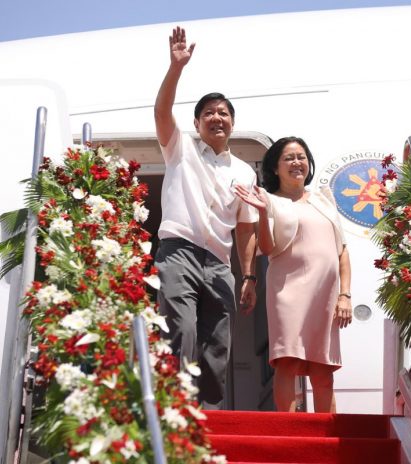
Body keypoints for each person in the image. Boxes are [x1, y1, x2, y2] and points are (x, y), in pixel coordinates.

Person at [153, 26, 258, 409]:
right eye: (209, 113)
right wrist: (176, 67)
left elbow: (246, 228)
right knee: (182, 330)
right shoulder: (180, 148)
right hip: (178, 252)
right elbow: (162, 111)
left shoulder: (245, 171)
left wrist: (248, 275)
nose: (218, 118)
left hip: (219, 263)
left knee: (218, 341)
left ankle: (210, 416)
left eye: (224, 113)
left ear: (232, 123)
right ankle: (175, 410)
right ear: (197, 124)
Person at [234, 136, 352, 413]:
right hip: (287, 290)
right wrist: (263, 214)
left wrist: (344, 296)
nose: (296, 163)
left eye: (301, 156)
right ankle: (290, 434)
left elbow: (342, 252)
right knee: (286, 361)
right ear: (275, 167)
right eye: (288, 158)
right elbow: (267, 247)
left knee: (323, 369)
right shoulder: (269, 200)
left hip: (325, 294)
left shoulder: (324, 199)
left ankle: (326, 439)